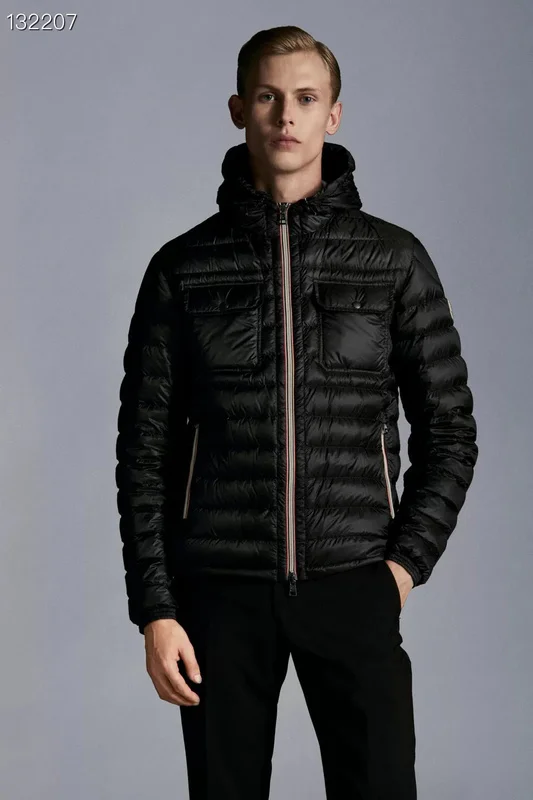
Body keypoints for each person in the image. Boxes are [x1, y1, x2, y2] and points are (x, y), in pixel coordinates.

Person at [115, 25, 478, 800]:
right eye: (268, 97)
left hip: (354, 580)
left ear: (332, 115)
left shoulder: (392, 260)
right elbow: (144, 449)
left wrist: (402, 568)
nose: (286, 115)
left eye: (305, 99)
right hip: (219, 593)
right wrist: (156, 609)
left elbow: (449, 429)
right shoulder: (183, 268)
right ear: (238, 109)